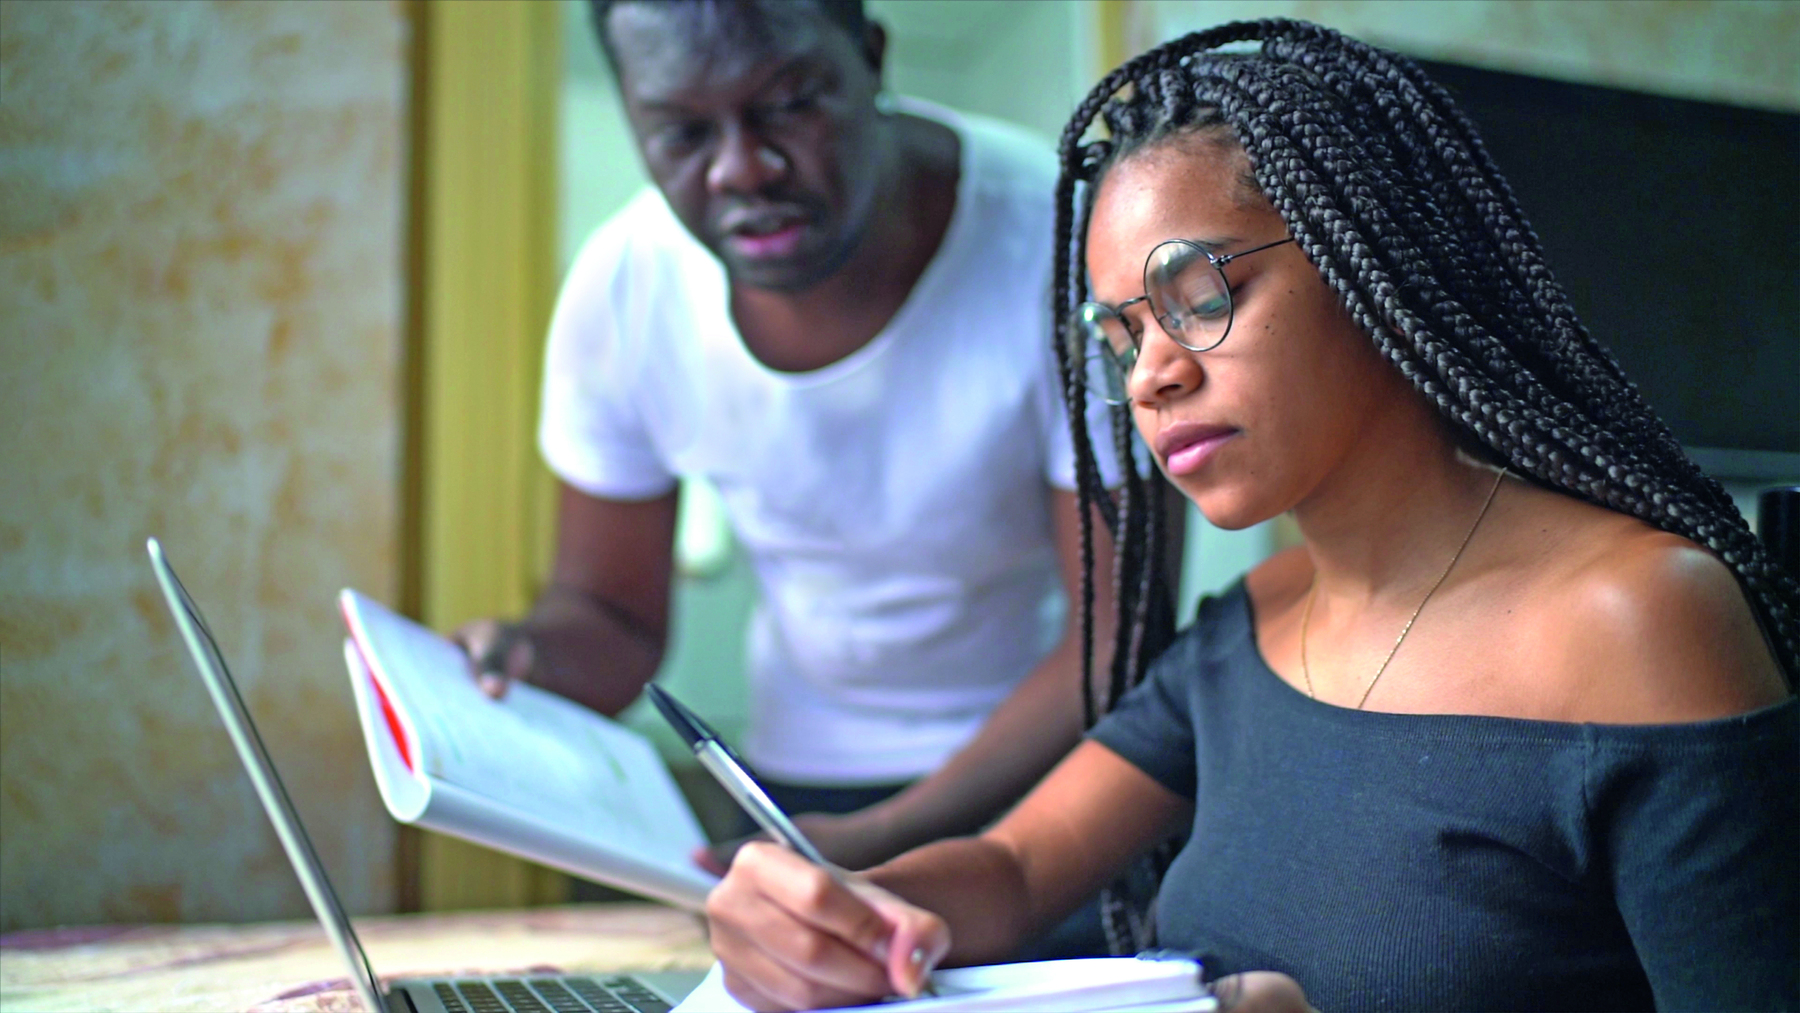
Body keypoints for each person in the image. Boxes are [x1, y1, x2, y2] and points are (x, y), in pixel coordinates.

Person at [700, 19, 1800, 1013]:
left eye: (1200, 294)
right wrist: (844, 908)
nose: (1149, 378)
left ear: (1370, 257)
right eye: (1122, 334)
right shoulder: (1254, 623)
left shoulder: (1643, 618)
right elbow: (1018, 868)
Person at [455, 0, 1139, 909]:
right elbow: (610, 620)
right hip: (791, 786)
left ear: (871, 56)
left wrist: (886, 837)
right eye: (683, 132)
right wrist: (521, 663)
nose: (744, 168)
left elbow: (1118, 635)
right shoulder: (624, 286)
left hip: (1055, 784)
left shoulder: (1064, 244)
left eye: (788, 104)